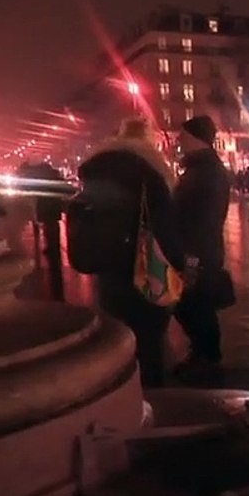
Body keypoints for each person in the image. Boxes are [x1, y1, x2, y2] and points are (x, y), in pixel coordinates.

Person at [77, 118, 185, 388]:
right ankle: (152, 395)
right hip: (148, 262)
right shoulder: (151, 167)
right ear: (147, 139)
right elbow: (167, 221)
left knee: (118, 328)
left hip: (108, 262)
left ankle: (123, 391)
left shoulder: (97, 167)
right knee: (150, 334)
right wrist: (181, 263)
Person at [172, 116, 233, 381]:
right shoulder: (202, 169)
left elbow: (202, 215)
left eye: (182, 135)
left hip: (198, 251)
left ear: (196, 138)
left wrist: (193, 257)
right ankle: (203, 353)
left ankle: (208, 356)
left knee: (195, 303)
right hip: (198, 249)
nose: (177, 140)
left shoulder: (205, 173)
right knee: (193, 303)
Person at [16, 161, 66, 300]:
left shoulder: (35, 176)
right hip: (53, 208)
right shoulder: (53, 175)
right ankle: (53, 251)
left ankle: (51, 250)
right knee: (52, 230)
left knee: (46, 227)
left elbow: (27, 190)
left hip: (42, 208)